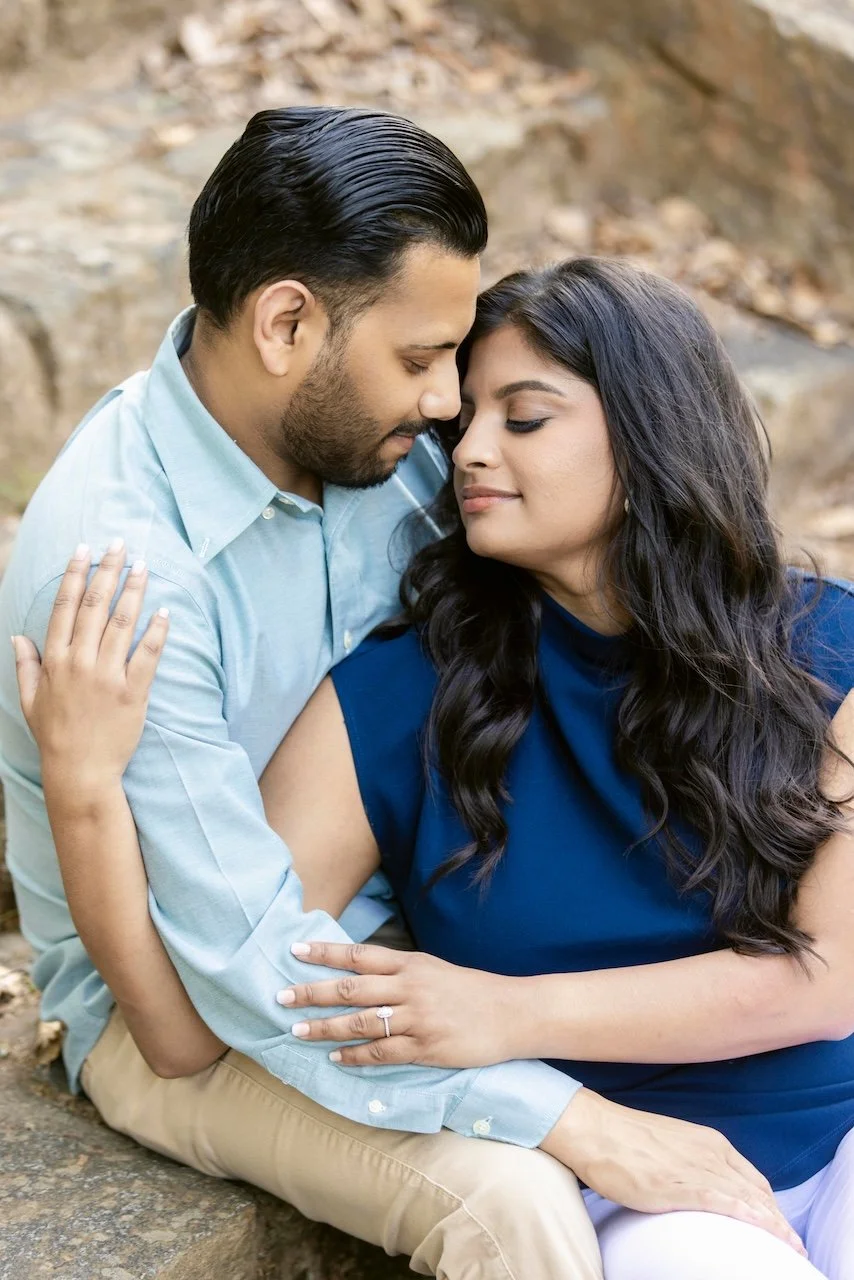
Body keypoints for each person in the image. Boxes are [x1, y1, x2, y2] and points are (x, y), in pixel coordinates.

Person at [1, 107, 785, 1280]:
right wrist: (569, 1117)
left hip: (421, 936)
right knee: (510, 1199)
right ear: (284, 321)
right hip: (195, 1005)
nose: (443, 410)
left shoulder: (387, 447)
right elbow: (238, 970)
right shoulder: (121, 572)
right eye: (419, 361)